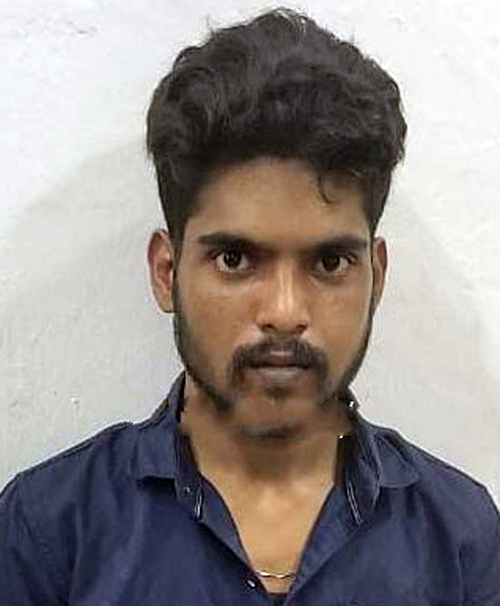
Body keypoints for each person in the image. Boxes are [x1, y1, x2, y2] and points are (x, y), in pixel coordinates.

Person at [1, 7, 499, 606]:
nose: (285, 312)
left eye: (330, 262)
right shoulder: (51, 534)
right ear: (166, 273)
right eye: (235, 259)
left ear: (377, 277)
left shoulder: (461, 539)